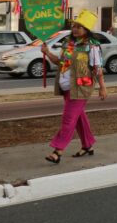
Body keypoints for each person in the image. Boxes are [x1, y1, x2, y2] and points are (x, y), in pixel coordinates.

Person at [41, 9, 107, 164]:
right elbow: (60, 62)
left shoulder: (92, 46)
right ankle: (87, 145)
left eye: (79, 26)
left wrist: (102, 87)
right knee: (78, 118)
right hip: (66, 86)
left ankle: (58, 151)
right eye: (74, 26)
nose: (75, 29)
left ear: (86, 30)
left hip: (81, 87)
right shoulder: (68, 44)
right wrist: (47, 52)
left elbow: (97, 68)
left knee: (68, 119)